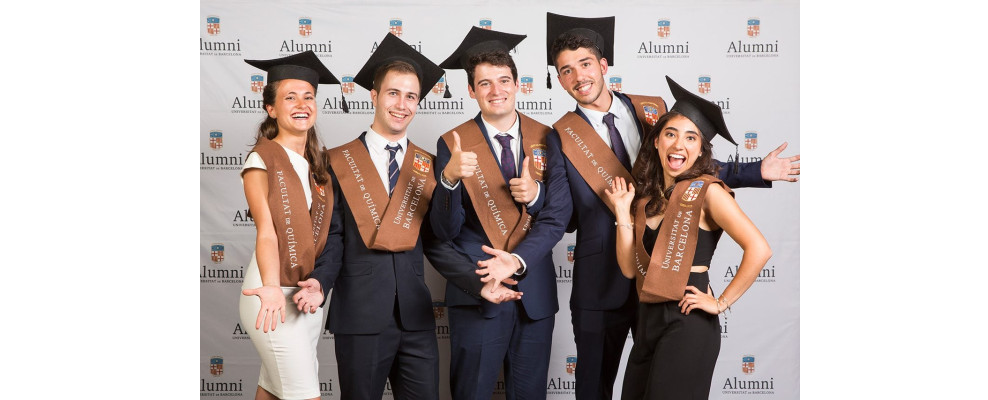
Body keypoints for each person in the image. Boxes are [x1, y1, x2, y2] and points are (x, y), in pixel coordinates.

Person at [542, 12, 799, 400]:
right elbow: (563, 216)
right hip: (603, 283)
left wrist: (755, 169)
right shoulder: (559, 137)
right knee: (596, 389)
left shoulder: (652, 109)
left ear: (603, 65)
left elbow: (688, 165)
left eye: (585, 64)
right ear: (559, 79)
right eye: (566, 70)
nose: (579, 76)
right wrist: (531, 199)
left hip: (666, 281)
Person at [291, 33, 453, 400]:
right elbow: (332, 237)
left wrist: (478, 281)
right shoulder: (336, 162)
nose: (402, 104)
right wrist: (319, 281)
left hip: (415, 317)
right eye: (393, 93)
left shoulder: (429, 165)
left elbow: (439, 240)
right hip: (360, 316)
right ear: (374, 96)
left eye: (411, 96)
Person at [605, 75, 772, 399]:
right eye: (670, 134)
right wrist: (623, 213)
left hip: (688, 319)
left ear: (699, 150)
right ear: (656, 141)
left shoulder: (709, 193)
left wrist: (721, 302)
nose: (678, 144)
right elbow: (628, 269)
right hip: (647, 320)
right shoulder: (644, 200)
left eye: (690, 138)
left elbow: (759, 248)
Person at [430, 26, 571, 400]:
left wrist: (536, 195)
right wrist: (449, 180)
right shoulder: (453, 144)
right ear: (471, 90)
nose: (496, 91)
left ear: (518, 84)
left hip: (534, 295)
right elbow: (443, 232)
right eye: (485, 83)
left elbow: (558, 216)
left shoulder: (548, 137)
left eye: (504, 80)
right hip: (481, 289)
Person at [238, 50, 340, 400]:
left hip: (305, 296)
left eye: (308, 96)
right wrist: (269, 287)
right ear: (271, 108)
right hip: (272, 293)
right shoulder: (261, 158)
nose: (301, 104)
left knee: (272, 388)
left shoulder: (318, 167)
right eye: (290, 97)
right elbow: (266, 232)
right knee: (303, 394)